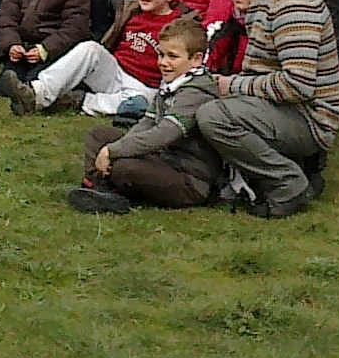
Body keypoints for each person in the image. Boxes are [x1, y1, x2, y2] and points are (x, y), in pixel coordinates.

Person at [196, 0, 339, 219]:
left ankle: (288, 182)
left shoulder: (293, 2)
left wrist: (233, 85)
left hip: (308, 118)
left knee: (214, 117)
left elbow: (298, 85)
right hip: (273, 105)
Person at [67, 17, 225, 214]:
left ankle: (110, 190)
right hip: (162, 159)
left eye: (172, 57)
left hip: (189, 179)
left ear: (196, 59)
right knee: (98, 135)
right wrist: (118, 147)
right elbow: (147, 122)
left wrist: (113, 151)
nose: (164, 63)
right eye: (161, 55)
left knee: (124, 166)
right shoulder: (172, 82)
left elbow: (164, 133)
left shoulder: (196, 91)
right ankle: (99, 186)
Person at [0, 0, 179, 116]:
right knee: (90, 48)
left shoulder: (177, 25)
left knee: (137, 105)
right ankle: (37, 93)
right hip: (116, 72)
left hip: (146, 86)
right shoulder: (133, 12)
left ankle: (78, 100)